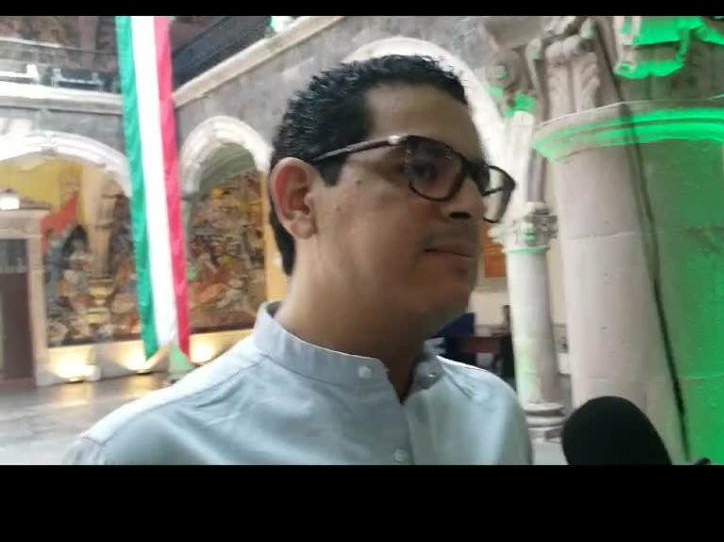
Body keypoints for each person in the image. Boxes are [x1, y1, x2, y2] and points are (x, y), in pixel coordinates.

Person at [61, 54, 532, 465]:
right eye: (422, 167)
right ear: (300, 200)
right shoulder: (144, 451)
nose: (471, 205)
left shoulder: (492, 414)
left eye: (478, 182)